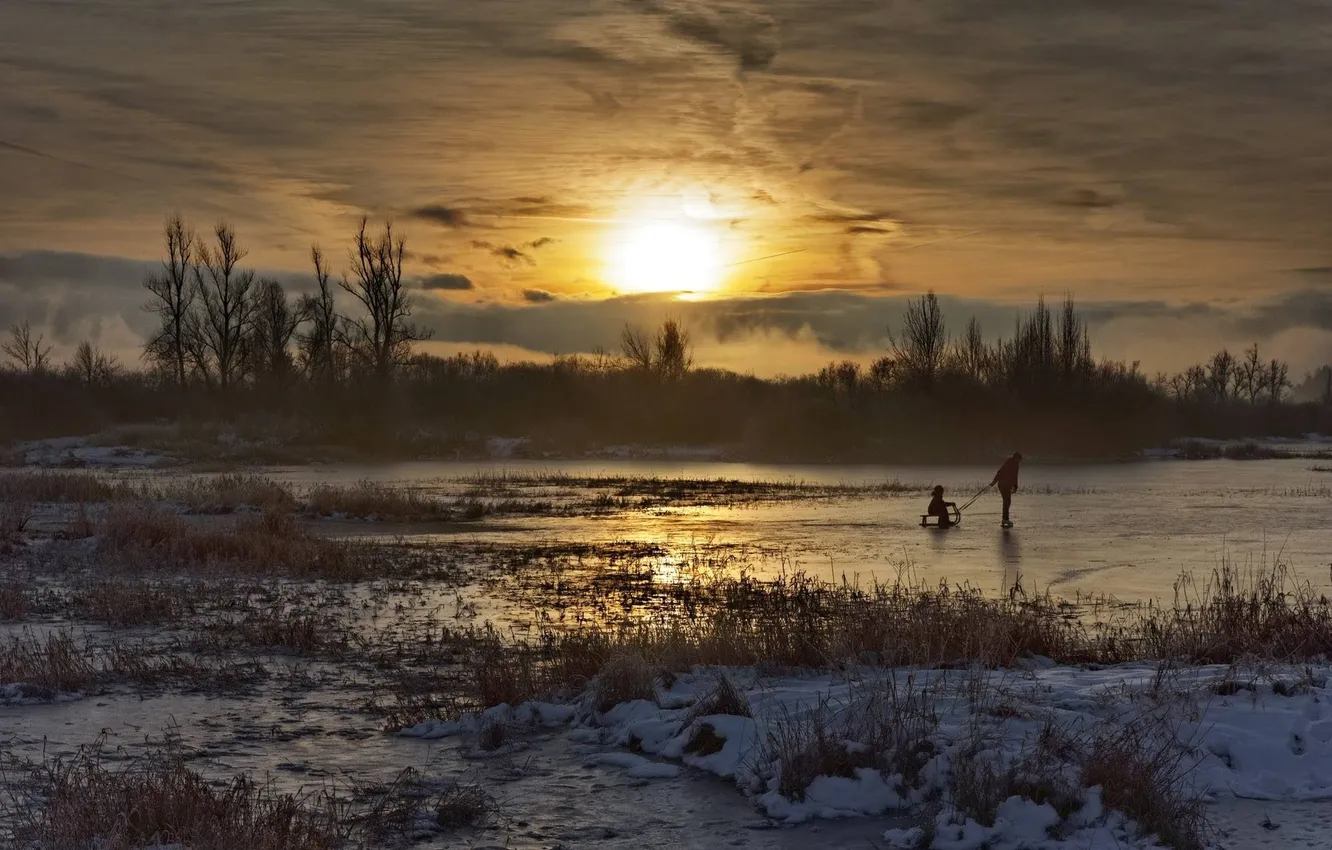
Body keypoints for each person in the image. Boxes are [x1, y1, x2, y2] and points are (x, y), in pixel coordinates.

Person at [991, 452, 1022, 527]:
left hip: (1006, 485)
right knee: (1006, 501)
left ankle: (1005, 518)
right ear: (1015, 458)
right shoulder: (1011, 463)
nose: (1019, 461)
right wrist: (994, 482)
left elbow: (1014, 476)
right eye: (1018, 459)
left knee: (1007, 501)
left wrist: (1015, 486)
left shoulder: (1014, 464)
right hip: (1004, 485)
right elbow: (1000, 472)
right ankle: (1005, 519)